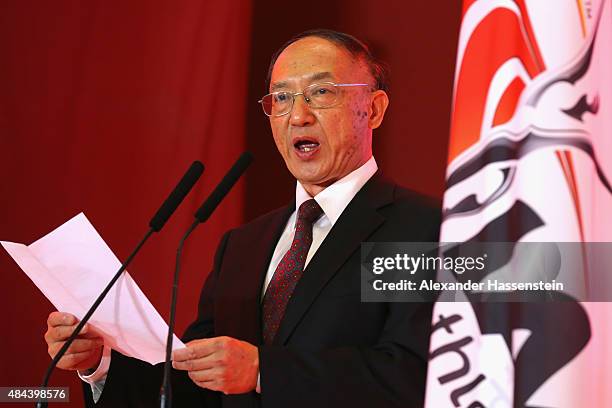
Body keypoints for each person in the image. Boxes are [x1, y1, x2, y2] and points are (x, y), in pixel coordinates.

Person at [44, 29, 440, 407]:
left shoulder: (438, 230)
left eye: (321, 92)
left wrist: (262, 371)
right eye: (281, 98)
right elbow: (195, 391)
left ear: (373, 109)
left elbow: (430, 377)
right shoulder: (242, 245)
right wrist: (99, 364)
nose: (297, 116)